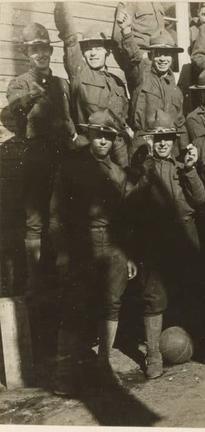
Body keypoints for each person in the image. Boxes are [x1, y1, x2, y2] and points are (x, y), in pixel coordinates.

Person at [49, 109, 137, 396]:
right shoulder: (71, 167)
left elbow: (126, 218)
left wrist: (130, 254)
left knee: (111, 305)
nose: (103, 141)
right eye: (98, 135)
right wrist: (62, 252)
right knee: (75, 307)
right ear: (89, 135)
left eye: (109, 137)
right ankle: (65, 375)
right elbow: (56, 214)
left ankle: (104, 366)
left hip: (113, 246)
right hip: (80, 244)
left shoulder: (117, 173)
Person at [128, 110, 205, 379]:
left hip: (184, 238)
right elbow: (131, 204)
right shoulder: (142, 169)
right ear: (151, 141)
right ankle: (153, 355)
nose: (163, 143)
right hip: (153, 241)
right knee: (153, 296)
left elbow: (199, 199)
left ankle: (190, 344)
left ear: (174, 140)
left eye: (168, 138)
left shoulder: (182, 166)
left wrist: (191, 169)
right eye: (158, 139)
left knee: (189, 289)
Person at [7, 22, 75, 302]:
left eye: (44, 49)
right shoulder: (20, 82)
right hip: (35, 157)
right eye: (35, 50)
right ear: (27, 54)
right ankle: (35, 282)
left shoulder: (61, 83)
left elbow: (68, 118)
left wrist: (73, 137)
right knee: (35, 220)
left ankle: (62, 282)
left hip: (61, 156)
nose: (41, 55)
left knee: (61, 216)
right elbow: (14, 108)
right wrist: (30, 95)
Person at [54, 2, 131, 167]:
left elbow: (124, 118)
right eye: (88, 49)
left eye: (98, 48)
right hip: (90, 152)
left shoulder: (117, 82)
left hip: (119, 154)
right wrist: (62, 6)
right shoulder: (79, 73)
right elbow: (70, 39)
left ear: (107, 51)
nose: (93, 53)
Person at [116, 10, 188, 155]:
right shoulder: (141, 75)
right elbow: (134, 58)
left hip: (168, 146)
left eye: (167, 55)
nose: (162, 59)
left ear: (173, 58)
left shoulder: (175, 89)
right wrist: (127, 31)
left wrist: (185, 148)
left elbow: (180, 123)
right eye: (158, 54)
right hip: (144, 144)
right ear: (151, 55)